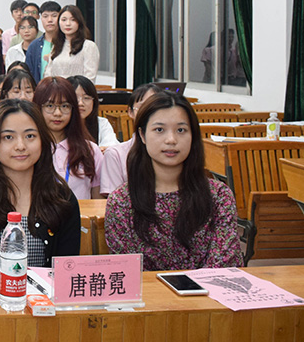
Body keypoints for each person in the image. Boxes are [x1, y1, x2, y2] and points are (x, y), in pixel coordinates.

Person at [104, 92, 243, 270]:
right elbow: (128, 270)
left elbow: (225, 264)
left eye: (181, 130)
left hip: (208, 288)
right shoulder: (122, 201)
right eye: (159, 130)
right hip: (148, 289)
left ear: (193, 136)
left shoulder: (218, 196)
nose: (171, 140)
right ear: (142, 135)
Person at [0, 100, 81, 274]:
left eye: (30, 136)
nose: (20, 146)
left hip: (45, 292)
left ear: (43, 140)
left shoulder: (62, 198)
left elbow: (66, 272)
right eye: (8, 137)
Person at [34, 77, 103, 200]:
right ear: (38, 108)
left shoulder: (90, 150)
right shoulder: (30, 149)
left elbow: (98, 202)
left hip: (81, 212)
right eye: (50, 105)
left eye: (65, 106)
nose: (58, 113)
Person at [99, 83, 161, 197]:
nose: (148, 112)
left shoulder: (173, 151)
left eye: (155, 107)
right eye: (142, 107)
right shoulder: (116, 154)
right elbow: (114, 200)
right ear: (130, 112)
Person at [45, 5, 100, 82]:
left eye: (73, 20)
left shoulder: (88, 46)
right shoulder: (57, 46)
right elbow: (48, 74)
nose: (68, 23)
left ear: (79, 22)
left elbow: (89, 78)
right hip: (56, 89)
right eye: (64, 20)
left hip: (78, 89)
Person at [68, 75, 118, 148]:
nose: (80, 103)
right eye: (75, 98)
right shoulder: (59, 124)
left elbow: (111, 146)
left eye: (86, 98)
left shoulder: (101, 123)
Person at [24, 1, 61, 83]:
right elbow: (29, 74)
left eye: (54, 16)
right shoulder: (34, 46)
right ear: (41, 18)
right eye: (45, 16)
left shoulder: (67, 44)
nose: (50, 20)